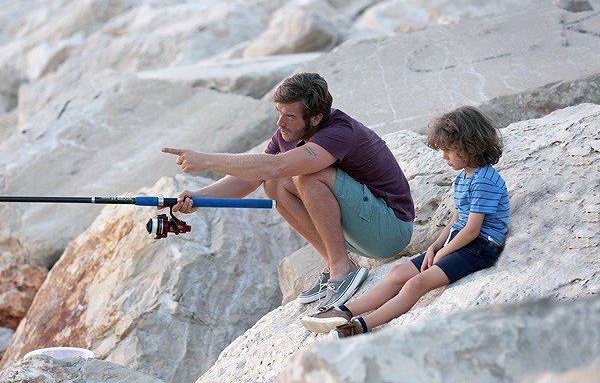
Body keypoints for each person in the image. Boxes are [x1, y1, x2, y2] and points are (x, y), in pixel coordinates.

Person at [161, 72, 415, 309]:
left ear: (315, 118)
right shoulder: (287, 134)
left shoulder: (339, 132)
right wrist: (199, 198)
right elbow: (256, 176)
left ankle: (342, 270)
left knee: (306, 174)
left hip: (391, 230)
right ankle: (334, 263)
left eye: (290, 116)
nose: (280, 122)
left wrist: (207, 160)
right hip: (362, 230)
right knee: (274, 184)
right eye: (278, 112)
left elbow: (275, 165)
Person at [301, 105, 509, 339]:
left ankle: (360, 325)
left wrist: (444, 253)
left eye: (449, 150)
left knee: (416, 284)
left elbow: (472, 230)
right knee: (397, 274)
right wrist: (435, 246)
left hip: (480, 248)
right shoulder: (465, 177)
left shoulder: (485, 181)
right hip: (460, 242)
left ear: (468, 146)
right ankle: (342, 311)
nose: (444, 157)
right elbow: (458, 219)